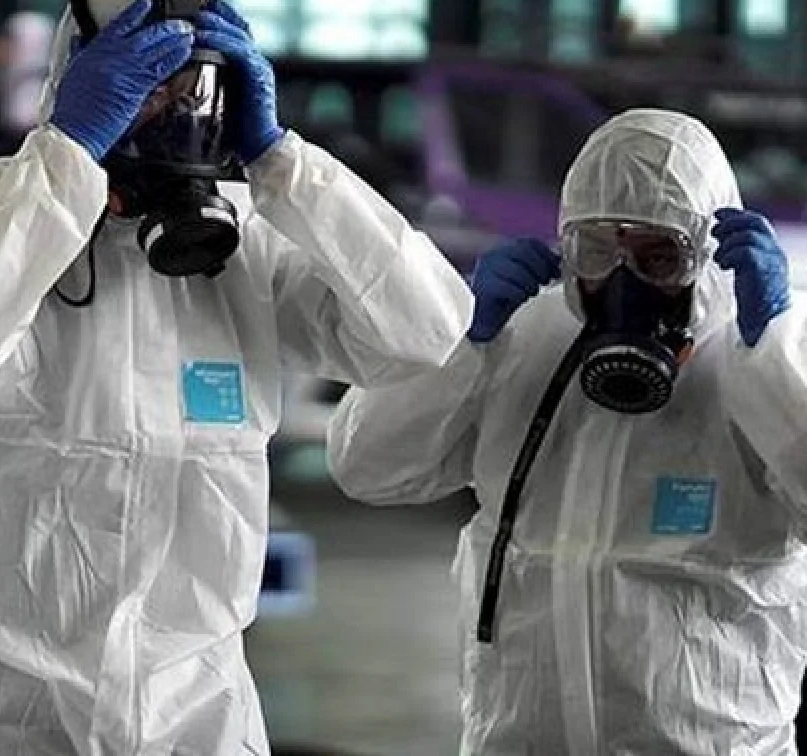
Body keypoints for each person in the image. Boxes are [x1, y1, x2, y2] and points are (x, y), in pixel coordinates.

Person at [0, 0, 472, 754]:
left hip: (197, 713)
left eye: (194, 91)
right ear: (80, 81)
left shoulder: (245, 244)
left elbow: (427, 331)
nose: (173, 113)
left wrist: (282, 161)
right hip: (5, 715)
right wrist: (69, 156)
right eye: (146, 86)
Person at [327, 107, 807, 754]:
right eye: (597, 250)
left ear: (707, 253)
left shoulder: (764, 353)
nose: (623, 282)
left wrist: (774, 354)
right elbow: (365, 467)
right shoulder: (523, 337)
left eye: (659, 256)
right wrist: (461, 342)